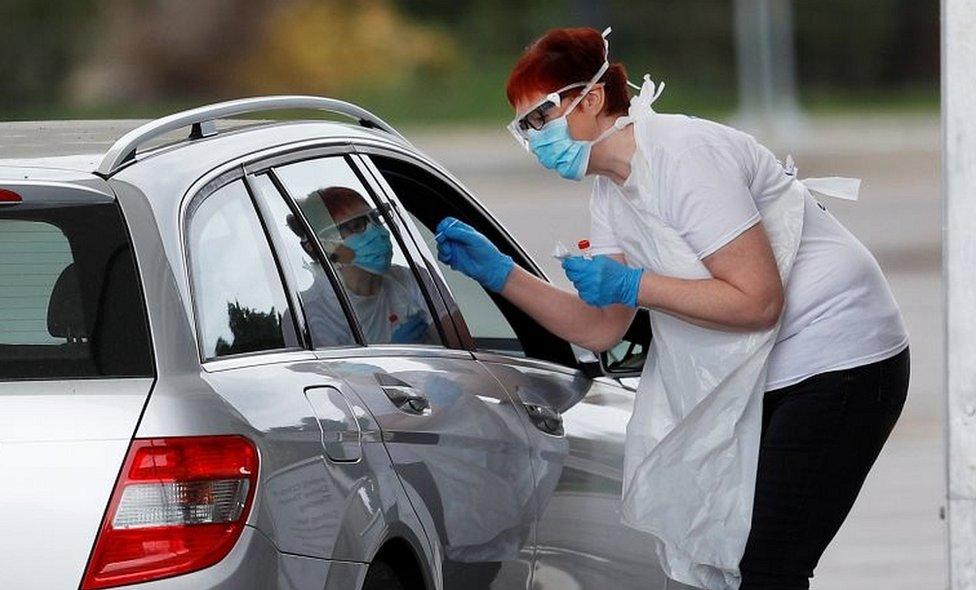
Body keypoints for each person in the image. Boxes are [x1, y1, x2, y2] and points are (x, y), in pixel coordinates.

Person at [434, 26, 909, 590]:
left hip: (843, 359)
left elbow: (757, 301)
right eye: (523, 128)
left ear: (590, 99)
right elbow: (600, 330)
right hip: (769, 371)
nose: (534, 140)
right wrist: (500, 273)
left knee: (769, 569)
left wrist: (634, 285)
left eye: (539, 118)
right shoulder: (612, 192)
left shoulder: (683, 156)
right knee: (733, 564)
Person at [297, 186, 435, 345]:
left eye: (375, 219)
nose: (377, 232)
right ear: (324, 244)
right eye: (356, 225)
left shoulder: (413, 278)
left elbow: (460, 345)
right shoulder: (311, 315)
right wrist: (391, 356)